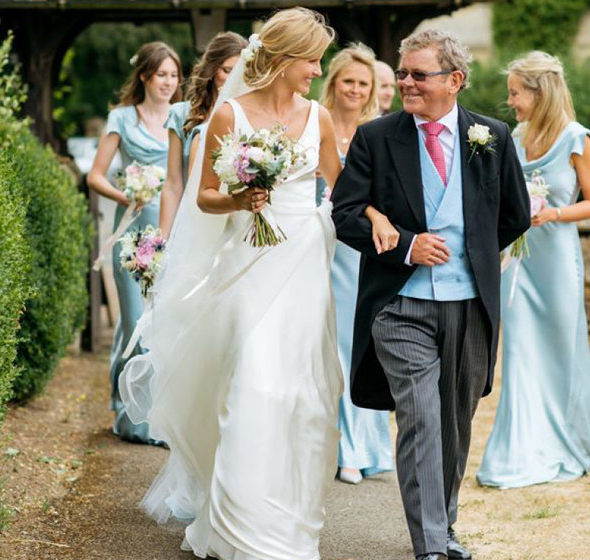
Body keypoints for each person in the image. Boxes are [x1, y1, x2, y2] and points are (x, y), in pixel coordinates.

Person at [117, 8, 397, 559]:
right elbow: (204, 198)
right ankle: (235, 525)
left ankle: (289, 522)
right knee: (252, 384)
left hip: (304, 262)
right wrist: (243, 199)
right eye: (312, 60)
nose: (317, 71)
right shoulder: (231, 117)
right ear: (286, 59)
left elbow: (343, 192)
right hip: (248, 258)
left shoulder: (317, 117)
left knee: (302, 396)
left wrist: (379, 218)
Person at [332, 30, 530, 560]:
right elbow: (345, 215)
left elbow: (515, 214)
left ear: (455, 80)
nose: (405, 83)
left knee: (454, 424)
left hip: (469, 306)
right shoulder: (377, 137)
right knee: (420, 416)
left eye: (419, 74)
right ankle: (430, 547)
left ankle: (443, 527)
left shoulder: (493, 136)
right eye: (402, 73)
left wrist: (477, 258)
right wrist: (406, 248)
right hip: (399, 306)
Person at [476, 51, 590, 489]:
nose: (510, 101)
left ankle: (567, 442)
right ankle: (518, 449)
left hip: (557, 262)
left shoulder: (576, 138)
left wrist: (555, 215)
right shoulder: (514, 136)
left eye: (515, 93)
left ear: (538, 91)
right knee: (521, 352)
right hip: (519, 261)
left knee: (561, 349)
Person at [87, 41, 181, 444]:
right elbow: (96, 175)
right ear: (144, 75)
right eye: (162, 74)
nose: (169, 82)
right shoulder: (121, 119)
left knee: (164, 326)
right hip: (135, 238)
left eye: (174, 75)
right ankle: (128, 414)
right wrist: (128, 195)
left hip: (173, 236)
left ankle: (158, 416)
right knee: (133, 323)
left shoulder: (182, 116)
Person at [317, 43, 394, 485]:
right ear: (335, 81)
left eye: (363, 84)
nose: (355, 89)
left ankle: (356, 449)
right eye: (348, 80)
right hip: (309, 244)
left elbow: (378, 197)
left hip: (352, 252)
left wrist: (374, 216)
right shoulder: (314, 122)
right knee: (312, 343)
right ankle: (317, 444)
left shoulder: (377, 132)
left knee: (352, 344)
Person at [159, 32, 247, 238]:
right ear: (212, 70)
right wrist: (161, 240)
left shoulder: (250, 116)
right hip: (193, 220)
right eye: (227, 71)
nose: (234, 78)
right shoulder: (181, 115)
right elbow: (173, 185)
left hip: (236, 225)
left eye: (240, 71)